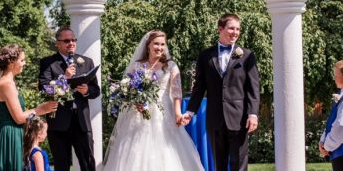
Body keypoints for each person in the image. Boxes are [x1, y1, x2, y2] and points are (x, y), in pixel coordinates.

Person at [102, 30, 204, 171]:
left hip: (163, 114)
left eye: (162, 44)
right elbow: (128, 89)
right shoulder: (137, 65)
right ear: (148, 45)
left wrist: (178, 113)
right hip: (138, 115)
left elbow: (176, 93)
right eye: (156, 44)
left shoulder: (171, 66)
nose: (160, 47)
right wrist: (135, 101)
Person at [183, 14, 260, 171]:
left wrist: (253, 114)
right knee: (219, 164)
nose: (235, 32)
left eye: (238, 29)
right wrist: (190, 111)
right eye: (231, 28)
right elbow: (199, 87)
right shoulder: (206, 56)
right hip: (215, 118)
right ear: (220, 29)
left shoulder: (247, 55)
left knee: (239, 163)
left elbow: (253, 87)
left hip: (239, 118)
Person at [38, 26, 100, 171]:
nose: (71, 43)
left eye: (73, 40)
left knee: (88, 163)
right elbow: (44, 88)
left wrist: (86, 91)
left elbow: (96, 90)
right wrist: (64, 78)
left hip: (81, 122)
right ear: (57, 43)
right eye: (66, 40)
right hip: (59, 122)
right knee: (61, 165)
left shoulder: (86, 62)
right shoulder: (48, 63)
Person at [0, 44, 58, 171]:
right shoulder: (6, 83)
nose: (24, 63)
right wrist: (40, 109)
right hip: (9, 135)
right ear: (11, 62)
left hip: (13, 132)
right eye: (22, 60)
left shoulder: (8, 81)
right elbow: (19, 118)